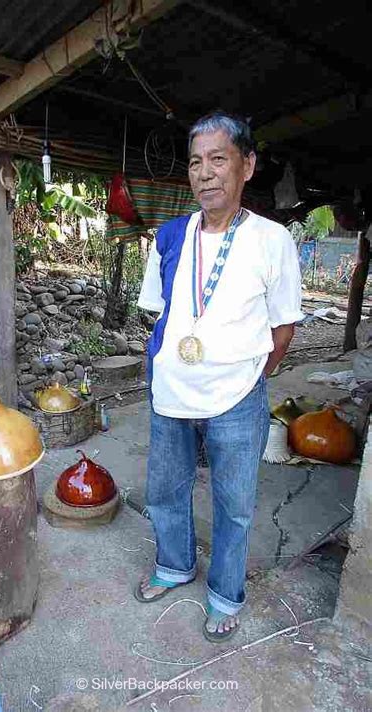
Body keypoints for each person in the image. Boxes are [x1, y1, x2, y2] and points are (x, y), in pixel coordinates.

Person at [135, 111, 304, 642]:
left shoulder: (272, 240)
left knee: (234, 504)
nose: (205, 173)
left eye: (218, 159)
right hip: (172, 392)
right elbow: (158, 313)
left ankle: (225, 594)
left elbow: (284, 327)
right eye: (195, 162)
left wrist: (249, 373)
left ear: (247, 166)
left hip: (237, 397)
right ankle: (175, 565)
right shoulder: (168, 237)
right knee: (165, 489)